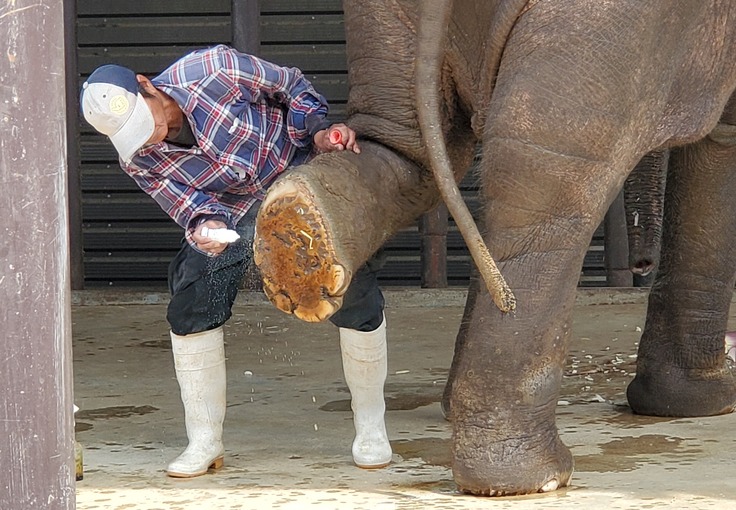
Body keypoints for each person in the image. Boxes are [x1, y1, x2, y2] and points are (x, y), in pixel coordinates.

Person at [80, 44, 392, 477]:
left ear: (146, 86)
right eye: (132, 135)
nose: (148, 139)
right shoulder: (137, 157)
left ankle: (371, 426)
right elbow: (189, 204)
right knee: (191, 297)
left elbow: (292, 88)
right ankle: (204, 440)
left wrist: (319, 130)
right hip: (236, 211)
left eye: (144, 123)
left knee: (353, 289)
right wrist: (204, 226)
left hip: (302, 178)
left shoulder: (212, 69)